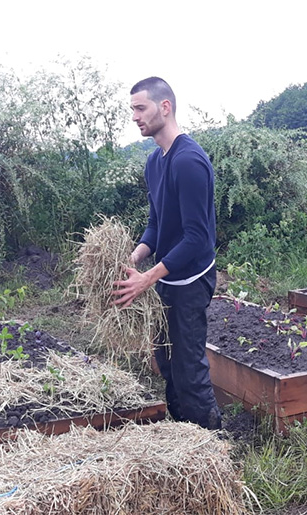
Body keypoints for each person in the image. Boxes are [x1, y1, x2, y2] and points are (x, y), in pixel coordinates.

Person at [111, 77, 221, 430]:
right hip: (165, 276)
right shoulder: (155, 163)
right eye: (133, 110)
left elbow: (196, 238)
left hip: (191, 278)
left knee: (189, 367)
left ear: (165, 107)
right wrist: (132, 259)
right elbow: (156, 225)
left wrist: (147, 277)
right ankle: (182, 436)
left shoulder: (189, 161)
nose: (135, 117)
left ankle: (213, 443)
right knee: (167, 360)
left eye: (140, 108)